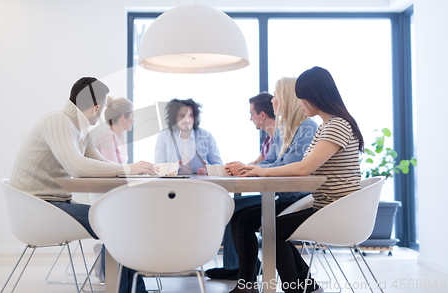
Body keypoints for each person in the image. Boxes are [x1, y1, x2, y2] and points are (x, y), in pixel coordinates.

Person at [9, 77, 154, 293]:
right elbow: (78, 167)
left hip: (51, 204)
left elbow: (98, 161)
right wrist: (128, 169)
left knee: (121, 218)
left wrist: (131, 168)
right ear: (96, 108)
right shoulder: (57, 121)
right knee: (118, 220)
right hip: (38, 208)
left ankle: (132, 289)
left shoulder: (79, 129)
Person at [231, 67, 363, 293]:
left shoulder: (337, 125)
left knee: (273, 230)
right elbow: (299, 164)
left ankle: (297, 289)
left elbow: (304, 168)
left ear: (314, 96)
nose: (299, 102)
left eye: (301, 97)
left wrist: (261, 172)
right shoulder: (326, 127)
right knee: (273, 227)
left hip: (336, 210)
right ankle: (306, 287)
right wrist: (259, 169)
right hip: (326, 206)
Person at [207, 78, 318, 281]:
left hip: (300, 201)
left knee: (261, 225)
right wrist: (246, 168)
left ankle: (294, 284)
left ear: (285, 99)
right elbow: (271, 162)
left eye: (276, 96)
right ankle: (247, 282)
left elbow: (289, 166)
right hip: (284, 199)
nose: (273, 100)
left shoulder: (308, 128)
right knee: (241, 219)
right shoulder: (282, 131)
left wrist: (251, 168)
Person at [155, 98, 222, 174]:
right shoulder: (164, 136)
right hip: (173, 183)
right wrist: (171, 169)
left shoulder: (206, 135)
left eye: (190, 115)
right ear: (175, 118)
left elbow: (219, 165)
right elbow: (158, 167)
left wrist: (209, 170)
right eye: (182, 116)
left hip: (201, 183)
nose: (187, 120)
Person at [95, 96, 133, 163]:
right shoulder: (107, 137)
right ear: (123, 117)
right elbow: (113, 170)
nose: (133, 120)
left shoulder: (120, 137)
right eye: (132, 116)